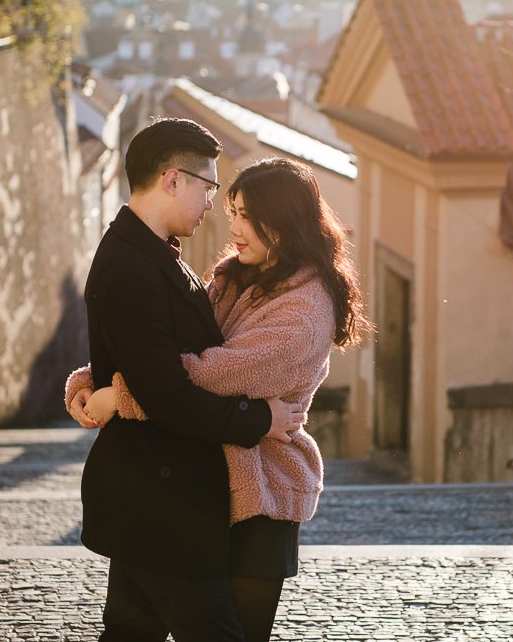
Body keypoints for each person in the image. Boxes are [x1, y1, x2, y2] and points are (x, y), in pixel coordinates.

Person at [67, 156, 369, 642]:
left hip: (259, 497)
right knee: (130, 630)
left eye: (248, 215)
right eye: (233, 212)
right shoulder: (235, 277)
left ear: (285, 219)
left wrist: (115, 396)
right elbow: (166, 352)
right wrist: (90, 378)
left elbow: (211, 374)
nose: (234, 226)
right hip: (191, 488)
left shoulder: (305, 310)